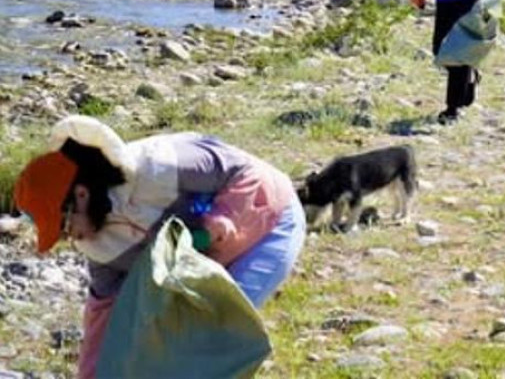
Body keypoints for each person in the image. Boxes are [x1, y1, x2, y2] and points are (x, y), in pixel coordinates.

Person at [14, 115, 304, 379]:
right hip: (204, 261)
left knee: (217, 333)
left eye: (64, 227)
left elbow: (246, 173)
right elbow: (103, 313)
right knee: (176, 345)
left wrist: (220, 220)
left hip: (270, 224)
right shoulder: (96, 243)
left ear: (81, 194)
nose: (71, 238)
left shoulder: (160, 165)